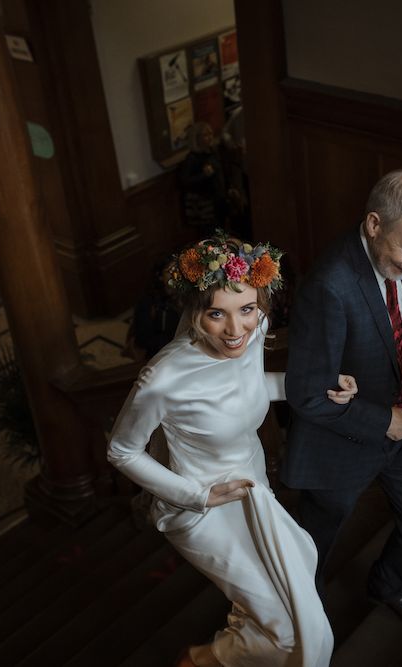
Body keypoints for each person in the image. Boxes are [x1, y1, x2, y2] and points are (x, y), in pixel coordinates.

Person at [107, 232, 356, 667]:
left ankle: (236, 637)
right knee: (284, 626)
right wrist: (198, 496)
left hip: (252, 488)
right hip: (201, 510)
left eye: (247, 309)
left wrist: (319, 384)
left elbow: (247, 389)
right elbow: (122, 451)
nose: (236, 329)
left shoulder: (252, 332)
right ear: (193, 311)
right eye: (216, 314)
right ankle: (202, 659)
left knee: (289, 586)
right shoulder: (162, 380)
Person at [283, 168, 402, 633]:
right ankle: (294, 619)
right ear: (375, 224)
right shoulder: (328, 287)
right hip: (341, 438)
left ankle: (390, 585)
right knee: (311, 544)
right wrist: (382, 420)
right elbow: (307, 394)